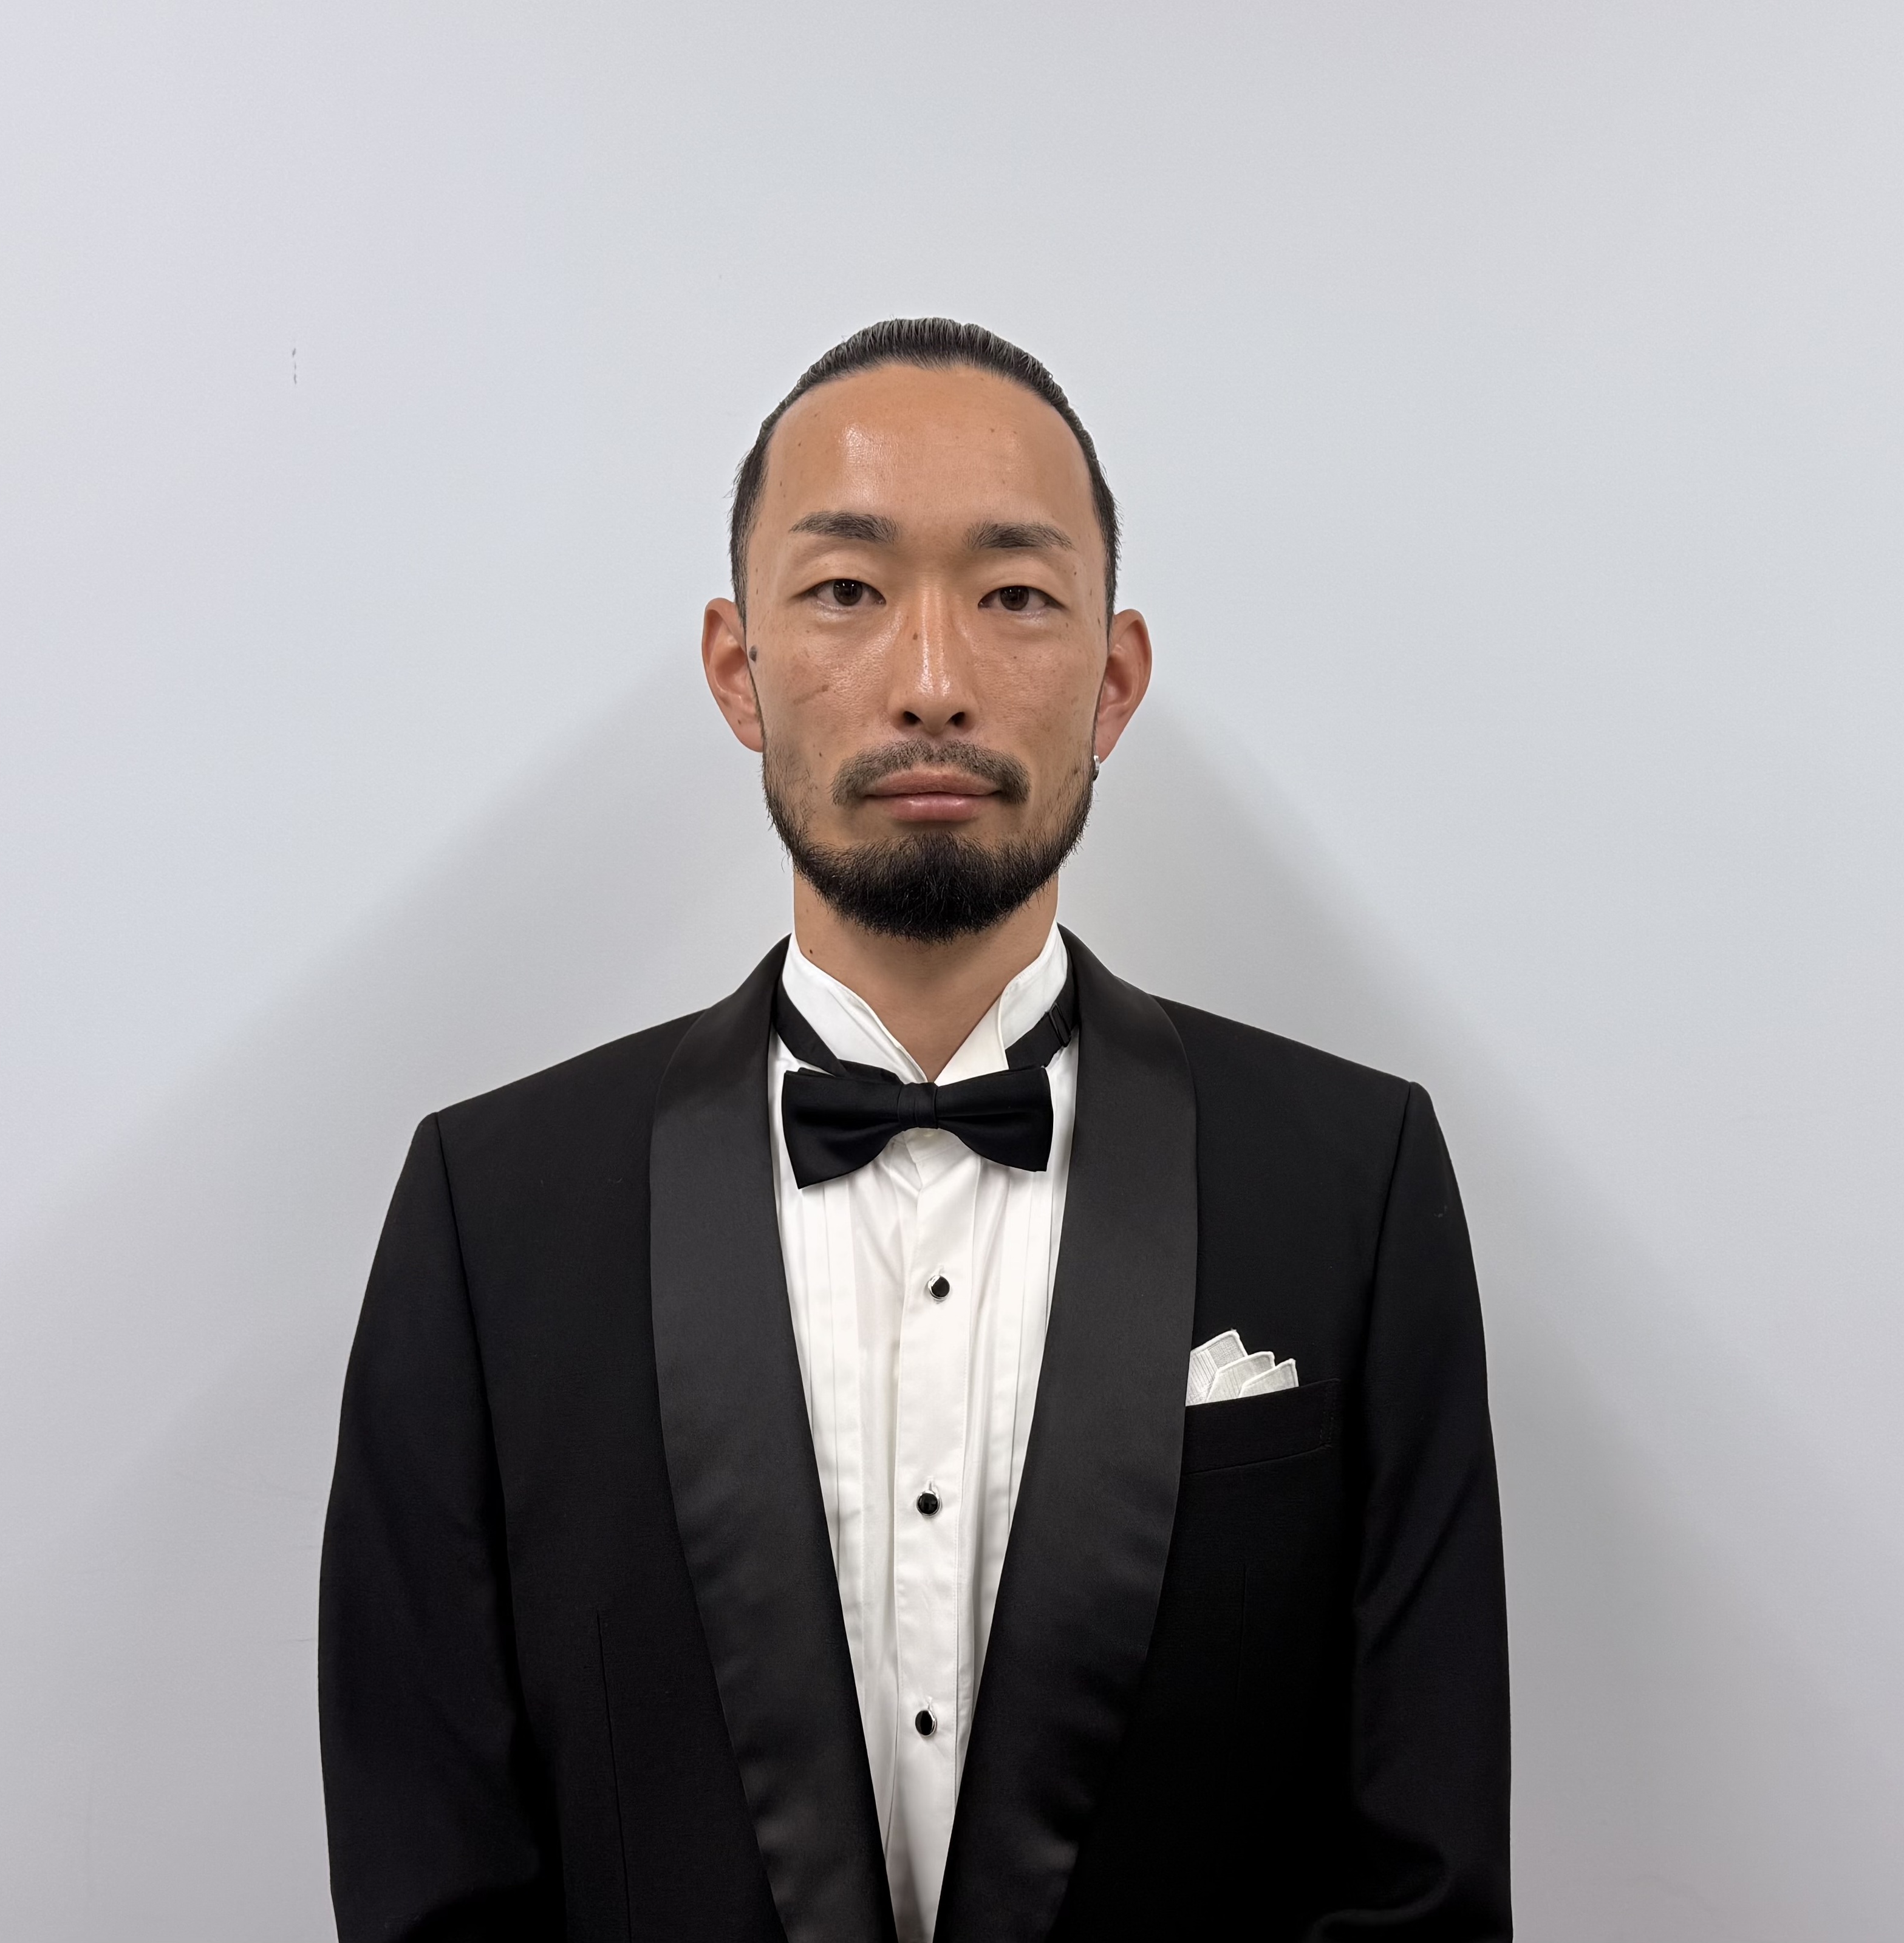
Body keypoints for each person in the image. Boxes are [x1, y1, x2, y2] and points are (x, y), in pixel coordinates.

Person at [318, 318, 1510, 1943]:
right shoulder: (493, 1214)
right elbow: (432, 1884)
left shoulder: (1352, 1184)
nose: (933, 681)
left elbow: (1423, 1882)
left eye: (1014, 596)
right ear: (738, 670)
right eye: (846, 590)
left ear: (1114, 679)